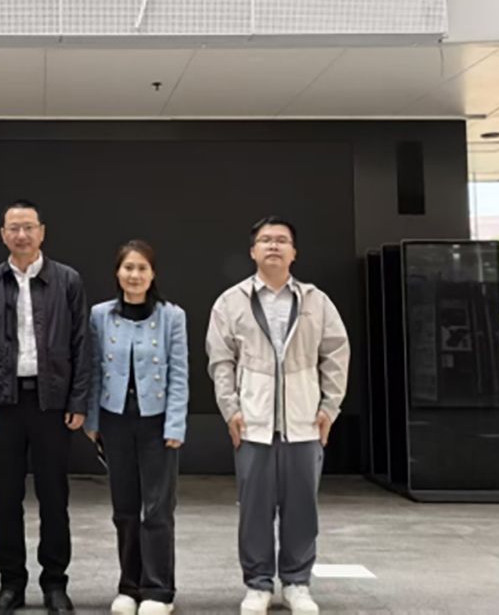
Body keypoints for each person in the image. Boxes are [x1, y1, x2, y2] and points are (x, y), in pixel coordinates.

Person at [206, 217, 350, 615]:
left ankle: (297, 583)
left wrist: (329, 407)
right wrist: (231, 409)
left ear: (294, 252)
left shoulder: (315, 301)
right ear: (252, 251)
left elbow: (336, 354)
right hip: (252, 424)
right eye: (266, 240)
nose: (274, 246)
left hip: (304, 423)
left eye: (282, 240)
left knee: (302, 508)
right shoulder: (231, 301)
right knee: (254, 508)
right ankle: (258, 584)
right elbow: (220, 360)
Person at [0, 200, 91, 615]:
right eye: (14, 228)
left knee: (54, 497)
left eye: (28, 227)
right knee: (7, 499)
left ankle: (55, 583)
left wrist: (77, 399)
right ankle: (11, 584)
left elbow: (81, 343)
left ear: (42, 232)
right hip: (3, 404)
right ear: (3, 234)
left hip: (51, 403)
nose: (21, 235)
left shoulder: (67, 281)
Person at [84, 240, 188, 615]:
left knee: (157, 509)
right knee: (125, 509)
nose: (134, 275)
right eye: (128, 267)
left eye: (142, 268)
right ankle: (129, 586)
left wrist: (175, 423)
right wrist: (92, 421)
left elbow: (179, 373)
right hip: (114, 418)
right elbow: (94, 370)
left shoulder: (171, 316)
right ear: (117, 273)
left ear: (153, 273)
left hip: (156, 420)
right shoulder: (100, 315)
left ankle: (159, 590)